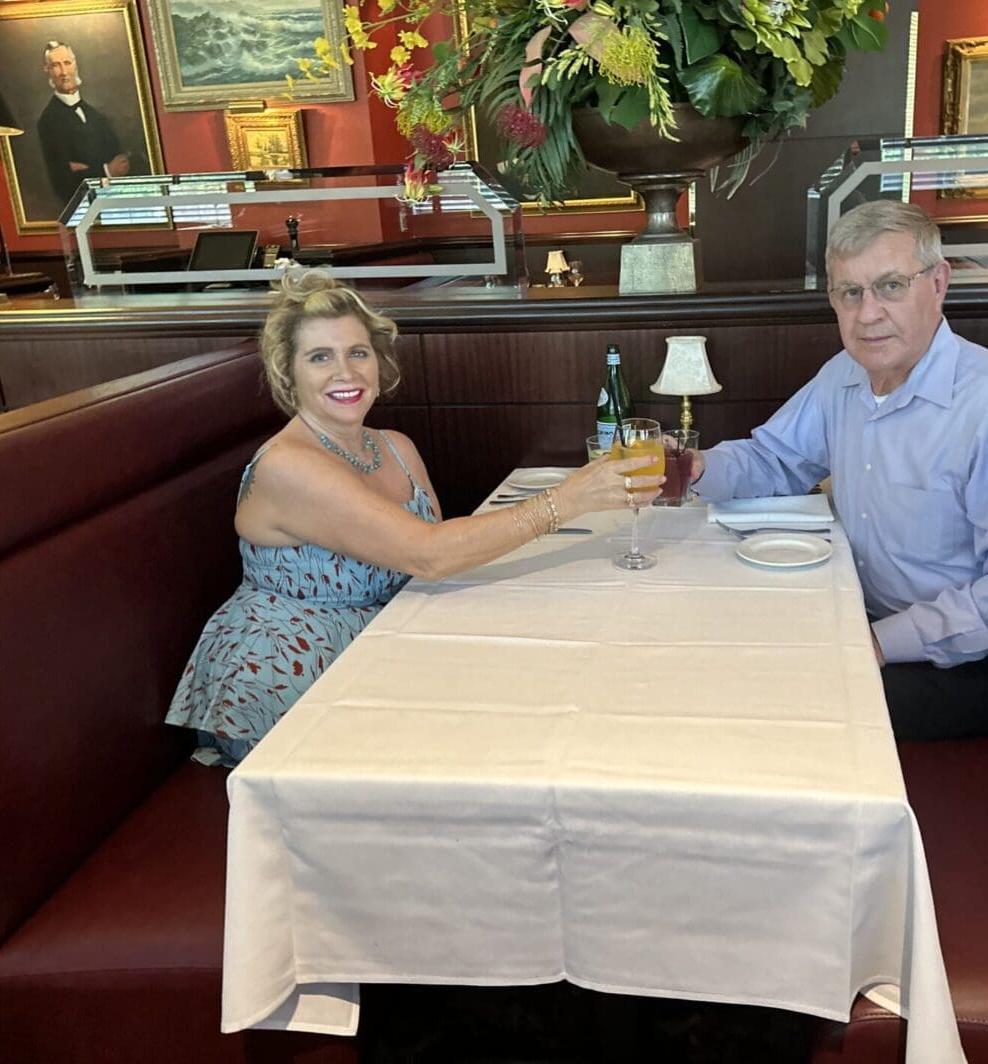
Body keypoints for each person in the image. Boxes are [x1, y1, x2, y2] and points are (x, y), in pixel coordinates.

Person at [166, 270, 660, 765]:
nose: (346, 372)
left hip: (381, 651)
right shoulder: (287, 466)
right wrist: (568, 500)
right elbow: (429, 555)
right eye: (320, 357)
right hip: (292, 676)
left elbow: (440, 553)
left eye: (357, 353)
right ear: (288, 374)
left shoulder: (394, 448)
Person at [689, 201, 988, 740]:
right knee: (714, 641)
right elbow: (774, 459)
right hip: (869, 620)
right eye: (850, 292)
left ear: (938, 283)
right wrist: (693, 468)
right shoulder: (845, 375)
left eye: (890, 286)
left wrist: (878, 643)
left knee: (772, 708)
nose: (867, 313)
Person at [36, 41, 131, 207]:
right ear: (48, 71)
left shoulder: (97, 116)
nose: (64, 72)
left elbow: (120, 160)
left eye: (67, 63)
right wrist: (106, 170)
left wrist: (86, 169)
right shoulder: (48, 120)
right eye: (56, 65)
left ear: (75, 65)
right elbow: (63, 181)